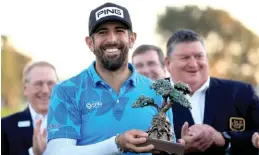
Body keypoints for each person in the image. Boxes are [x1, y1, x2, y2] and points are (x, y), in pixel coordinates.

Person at [44, 2, 175, 155]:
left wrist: (176, 148)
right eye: (102, 32)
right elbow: (56, 152)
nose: (112, 39)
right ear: (90, 43)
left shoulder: (157, 91)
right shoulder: (67, 91)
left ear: (132, 39)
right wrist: (116, 144)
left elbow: (167, 145)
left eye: (119, 31)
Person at [165, 29, 259, 155]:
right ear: (168, 63)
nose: (193, 64)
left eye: (199, 56)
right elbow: (137, 145)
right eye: (185, 57)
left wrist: (222, 138)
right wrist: (177, 148)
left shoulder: (240, 93)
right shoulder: (151, 96)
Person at [1, 61, 59, 155]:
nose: (45, 90)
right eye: (38, 84)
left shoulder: (75, 123)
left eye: (50, 83)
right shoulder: (5, 126)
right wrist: (33, 153)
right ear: (25, 88)